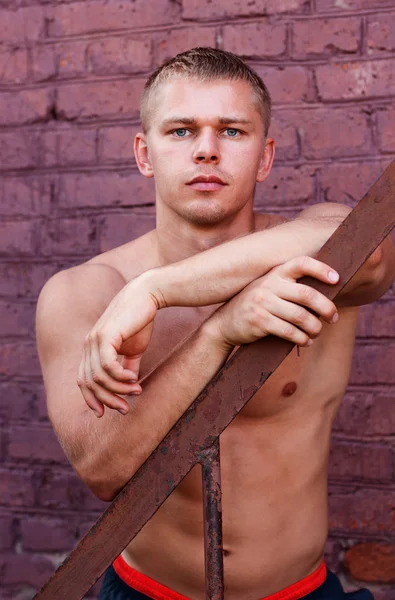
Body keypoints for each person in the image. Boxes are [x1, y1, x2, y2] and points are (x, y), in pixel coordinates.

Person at [36, 48, 395, 600]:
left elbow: (364, 254)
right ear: (144, 153)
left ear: (266, 155)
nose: (207, 150)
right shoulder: (84, 292)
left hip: (301, 592)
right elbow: (103, 470)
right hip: (147, 593)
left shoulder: (319, 239)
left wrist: (157, 289)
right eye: (181, 131)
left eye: (231, 131)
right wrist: (218, 334)